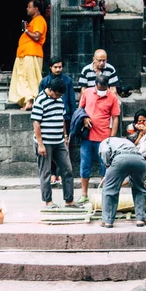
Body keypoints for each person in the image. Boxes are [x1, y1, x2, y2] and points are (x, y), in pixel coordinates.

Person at [31, 77, 78, 209]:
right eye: (57, 94)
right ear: (50, 90)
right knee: (46, 172)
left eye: (61, 95)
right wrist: (40, 144)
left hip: (59, 141)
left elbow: (62, 118)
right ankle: (48, 201)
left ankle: (69, 200)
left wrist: (65, 136)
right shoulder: (40, 100)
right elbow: (36, 123)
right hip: (45, 142)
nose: (59, 97)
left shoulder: (60, 99)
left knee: (67, 169)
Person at [77, 75, 121, 205]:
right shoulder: (87, 92)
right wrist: (84, 118)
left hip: (104, 138)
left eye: (104, 88)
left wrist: (112, 137)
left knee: (105, 167)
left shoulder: (112, 97)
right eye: (99, 88)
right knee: (85, 166)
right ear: (95, 84)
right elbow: (80, 109)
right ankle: (84, 194)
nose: (102, 91)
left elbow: (115, 117)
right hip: (87, 136)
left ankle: (105, 194)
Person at [39, 56, 76, 184]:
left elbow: (71, 100)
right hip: (48, 119)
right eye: (55, 67)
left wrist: (72, 117)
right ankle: (53, 173)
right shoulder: (45, 81)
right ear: (50, 67)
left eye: (60, 67)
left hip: (64, 118)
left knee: (64, 147)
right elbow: (40, 98)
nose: (58, 69)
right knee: (50, 147)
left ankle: (61, 173)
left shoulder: (68, 80)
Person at [99, 137, 146, 228]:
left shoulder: (105, 141)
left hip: (120, 158)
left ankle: (107, 221)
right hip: (140, 160)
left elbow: (105, 151)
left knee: (109, 189)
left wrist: (107, 165)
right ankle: (140, 219)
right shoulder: (128, 142)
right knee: (140, 188)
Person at [8, 0, 48, 111]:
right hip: (26, 54)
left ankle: (31, 101)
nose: (27, 9)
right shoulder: (34, 21)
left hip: (31, 54)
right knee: (23, 78)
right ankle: (28, 100)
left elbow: (36, 36)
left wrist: (26, 31)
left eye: (29, 7)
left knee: (29, 78)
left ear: (36, 9)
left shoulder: (39, 20)